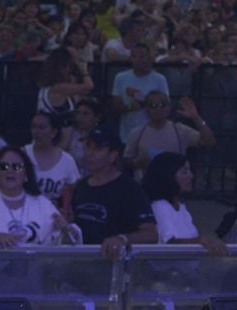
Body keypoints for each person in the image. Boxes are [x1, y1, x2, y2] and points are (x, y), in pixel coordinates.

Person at [67, 127, 156, 258]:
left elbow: (151, 234)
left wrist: (122, 239)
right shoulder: (80, 186)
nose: (90, 154)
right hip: (82, 265)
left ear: (112, 155)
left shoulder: (130, 189)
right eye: (88, 147)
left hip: (116, 267)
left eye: (97, 148)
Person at [0, 145, 65, 247]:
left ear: (26, 175)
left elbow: (63, 240)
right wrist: (0, 237)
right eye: (4, 167)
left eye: (17, 167)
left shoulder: (42, 203)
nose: (10, 171)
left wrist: (64, 229)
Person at [140, 152, 226, 254]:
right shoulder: (159, 206)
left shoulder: (181, 207)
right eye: (184, 172)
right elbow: (169, 244)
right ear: (168, 176)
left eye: (189, 171)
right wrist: (200, 241)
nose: (191, 176)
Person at [122, 93, 217, 167]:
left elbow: (209, 142)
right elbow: (126, 161)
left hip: (174, 187)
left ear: (168, 108)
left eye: (162, 105)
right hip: (145, 187)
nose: (159, 109)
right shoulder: (137, 133)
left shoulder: (180, 130)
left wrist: (195, 117)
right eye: (154, 105)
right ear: (147, 110)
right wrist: (137, 163)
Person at [27, 109, 80, 209]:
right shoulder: (22, 155)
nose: (36, 132)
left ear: (54, 132)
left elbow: (74, 192)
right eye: (34, 127)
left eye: (42, 127)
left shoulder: (67, 160)